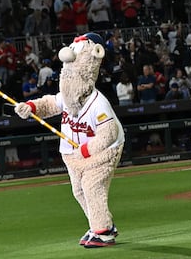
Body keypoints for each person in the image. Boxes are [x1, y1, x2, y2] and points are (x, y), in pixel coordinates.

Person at [14, 33, 123, 248]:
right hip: (74, 154)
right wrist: (32, 107)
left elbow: (108, 133)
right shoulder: (68, 97)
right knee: (79, 191)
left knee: (92, 186)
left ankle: (104, 232)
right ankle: (100, 225)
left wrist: (86, 150)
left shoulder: (98, 103)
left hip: (102, 151)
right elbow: (50, 103)